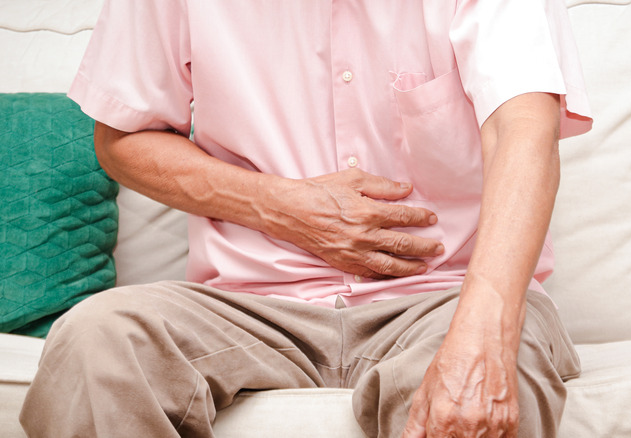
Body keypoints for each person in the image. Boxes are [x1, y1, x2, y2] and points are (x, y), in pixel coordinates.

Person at [20, 0, 592, 437]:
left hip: (447, 298)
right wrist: (282, 206)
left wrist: (480, 337)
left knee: (496, 361)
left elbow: (525, 131)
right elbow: (123, 140)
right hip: (249, 305)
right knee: (96, 339)